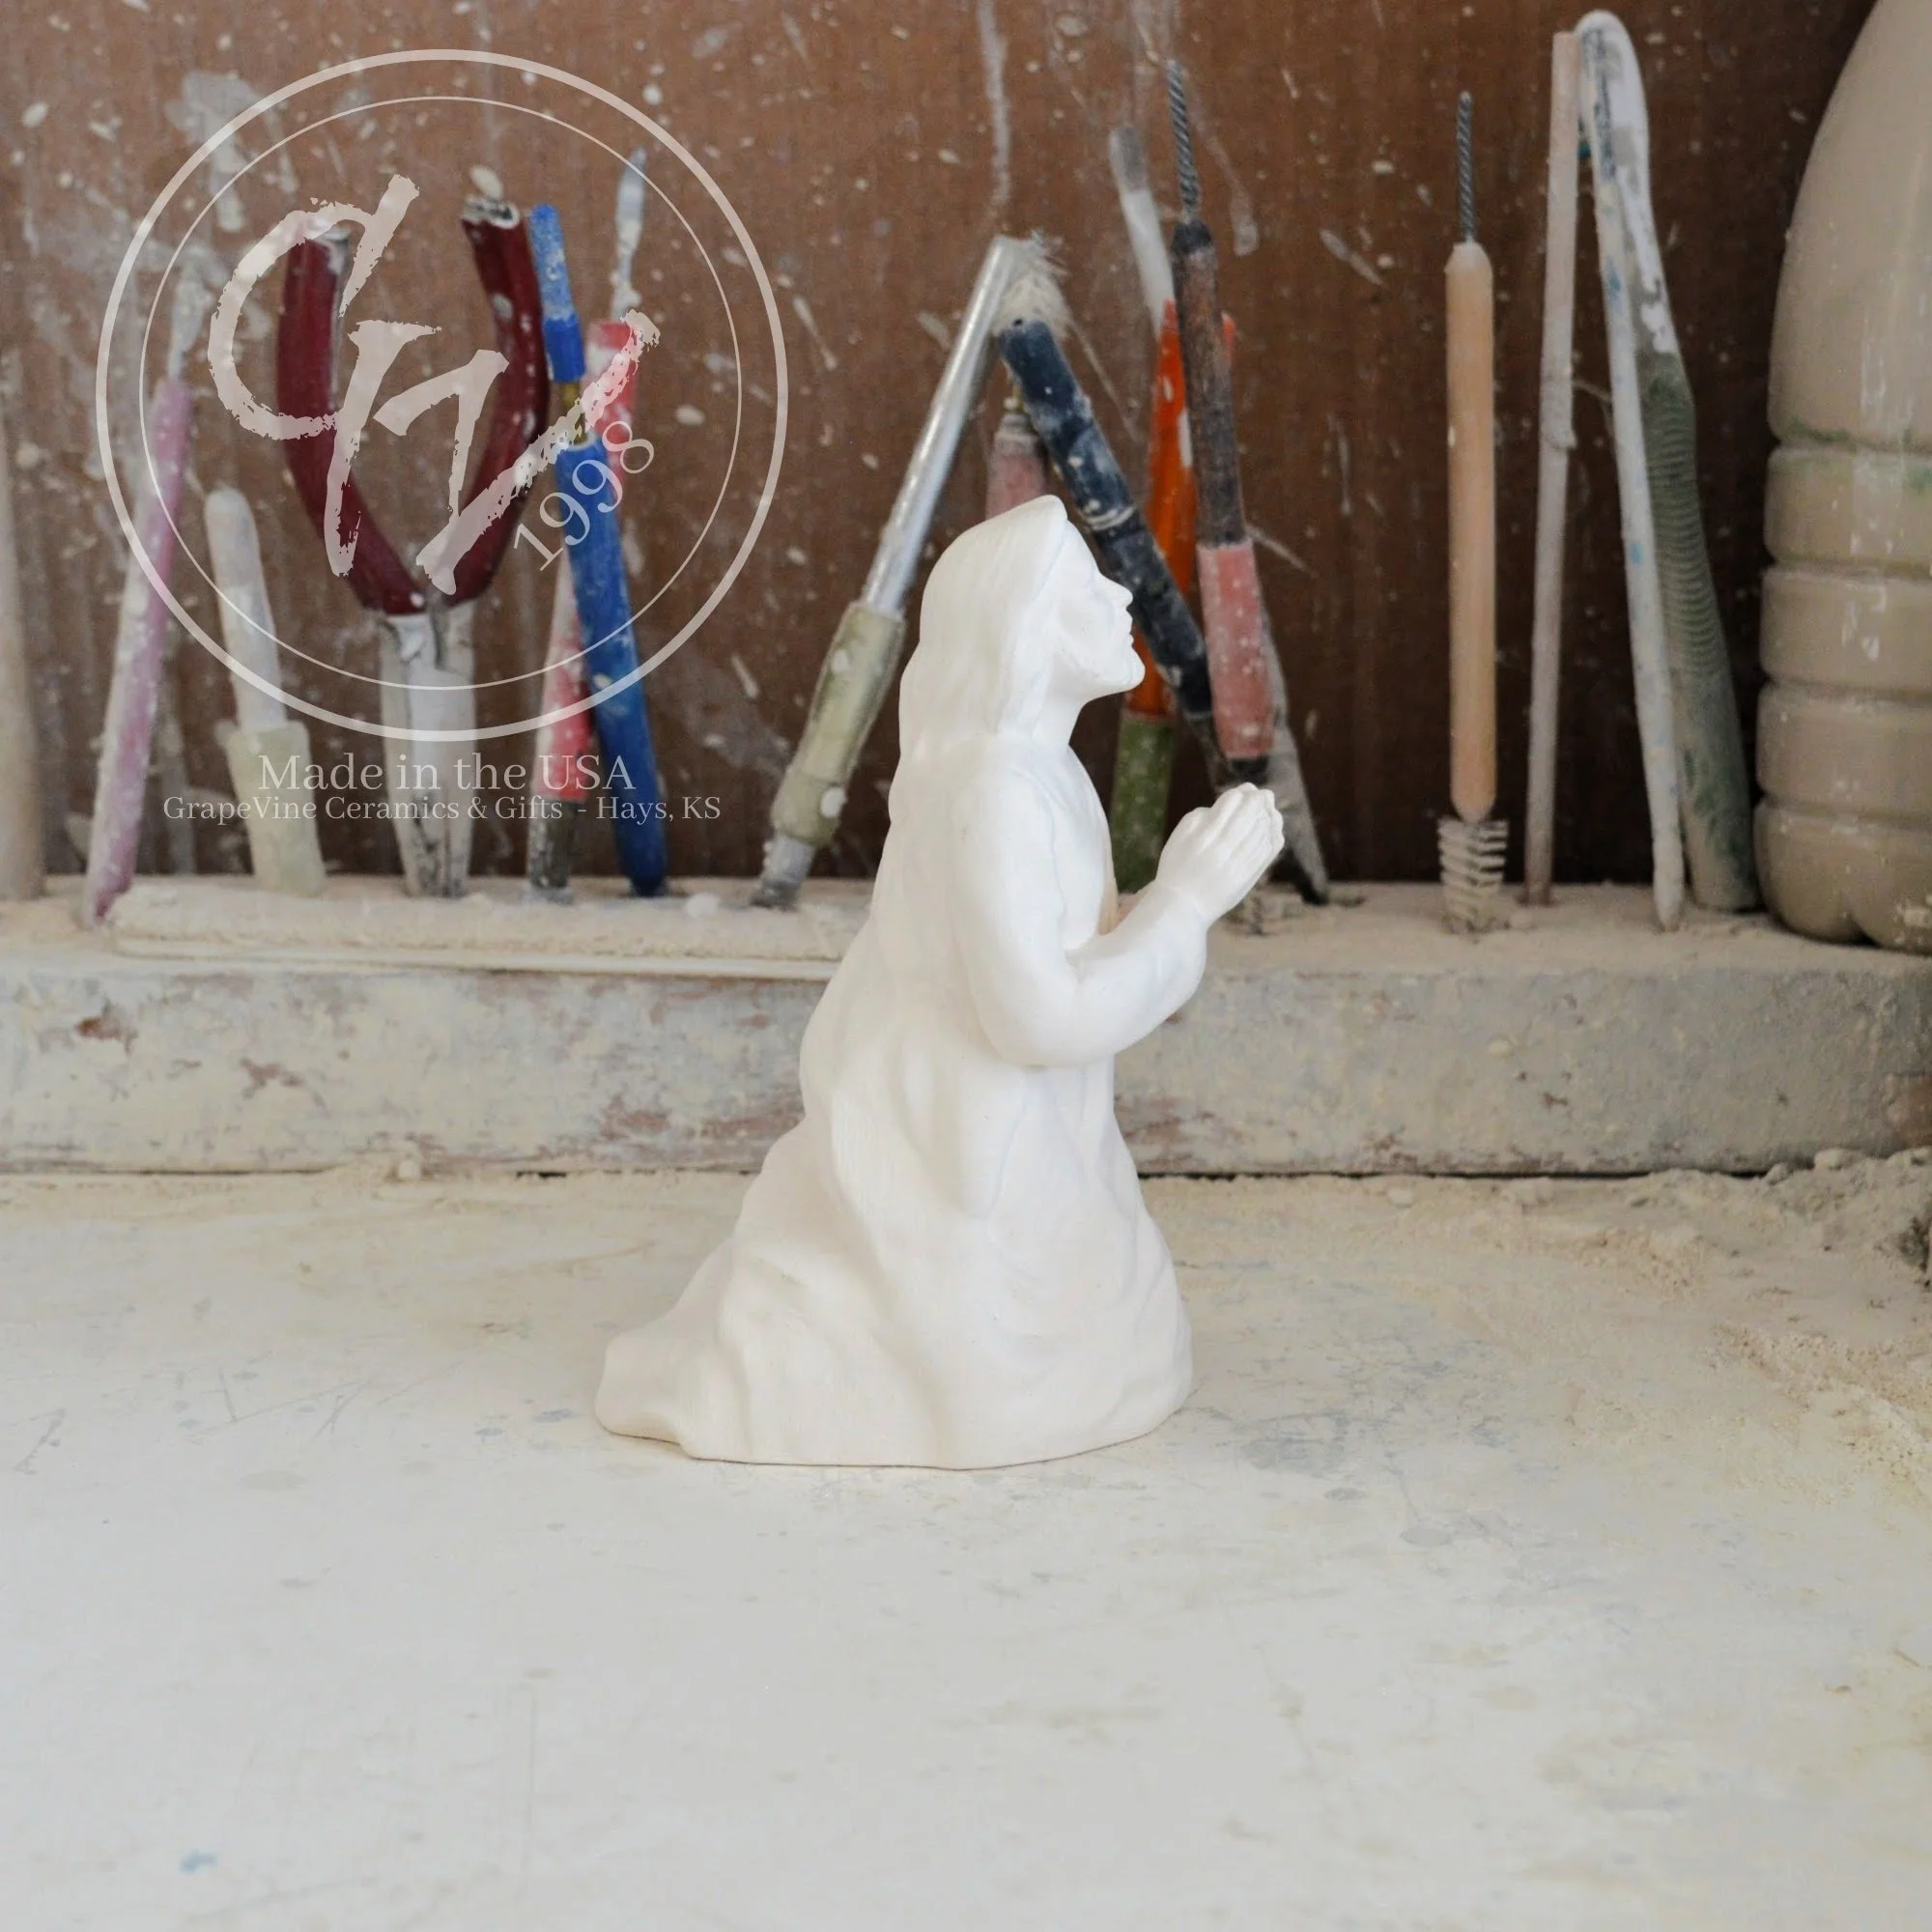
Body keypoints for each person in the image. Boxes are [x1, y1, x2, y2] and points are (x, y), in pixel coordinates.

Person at [596, 495, 1284, 1465]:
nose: (1119, 593)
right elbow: (1039, 1018)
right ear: (1021, 627)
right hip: (964, 1158)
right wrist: (1184, 903)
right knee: (984, 1376)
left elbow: (1057, 950)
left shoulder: (1041, 774)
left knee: (1090, 1339)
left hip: (1036, 1150)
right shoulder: (995, 791)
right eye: (1082, 583)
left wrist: (1144, 912)